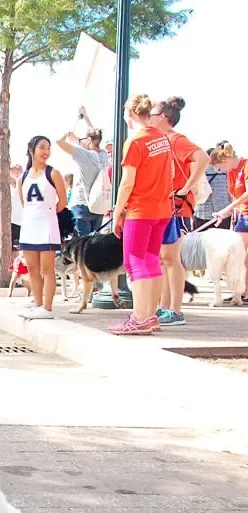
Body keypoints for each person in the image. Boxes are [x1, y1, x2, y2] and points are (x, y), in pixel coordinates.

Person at [109, 94, 173, 335]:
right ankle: (150, 315)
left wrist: (117, 211)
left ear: (131, 113)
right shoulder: (162, 139)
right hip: (161, 209)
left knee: (134, 262)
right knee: (150, 260)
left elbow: (127, 182)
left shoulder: (135, 141)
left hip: (140, 209)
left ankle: (139, 316)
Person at [150, 97, 210, 326]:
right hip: (166, 206)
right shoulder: (163, 141)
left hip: (179, 208)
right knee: (164, 259)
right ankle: (165, 307)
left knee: (171, 258)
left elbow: (202, 157)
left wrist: (185, 189)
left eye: (153, 116)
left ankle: (175, 309)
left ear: (164, 118)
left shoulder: (176, 139)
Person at [17, 136, 68, 320]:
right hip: (29, 226)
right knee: (32, 269)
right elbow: (24, 202)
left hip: (47, 226)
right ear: (32, 149)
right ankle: (37, 305)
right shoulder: (23, 176)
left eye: (48, 148)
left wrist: (48, 214)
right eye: (42, 147)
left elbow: (62, 202)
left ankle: (47, 307)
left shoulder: (53, 173)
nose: (46, 152)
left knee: (47, 269)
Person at [57, 109, 110, 236]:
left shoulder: (82, 154)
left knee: (81, 246)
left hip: (81, 204)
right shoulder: (103, 155)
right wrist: (86, 117)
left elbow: (59, 142)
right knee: (93, 245)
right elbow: (95, 134)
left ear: (88, 140)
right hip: (98, 206)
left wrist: (68, 133)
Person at [209, 142, 248, 300]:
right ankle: (241, 292)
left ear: (225, 160)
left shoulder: (245, 166)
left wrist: (227, 209)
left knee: (241, 257)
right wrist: (228, 213)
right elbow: (235, 196)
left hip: (245, 214)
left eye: (220, 166)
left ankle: (243, 291)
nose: (221, 171)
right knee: (238, 256)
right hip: (241, 215)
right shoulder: (232, 171)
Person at [196, 148, 231, 231]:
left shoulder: (200, 171)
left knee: (201, 241)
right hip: (223, 213)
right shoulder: (226, 171)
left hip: (202, 212)